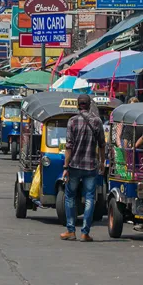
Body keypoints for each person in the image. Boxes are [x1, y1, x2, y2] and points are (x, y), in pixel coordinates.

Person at [60, 94, 105, 242]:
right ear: (90, 104)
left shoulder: (72, 121)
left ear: (78, 105)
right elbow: (102, 145)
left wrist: (65, 167)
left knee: (70, 196)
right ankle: (85, 232)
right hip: (91, 165)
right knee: (90, 197)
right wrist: (102, 162)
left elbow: (68, 147)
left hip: (74, 165)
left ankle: (71, 230)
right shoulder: (97, 121)